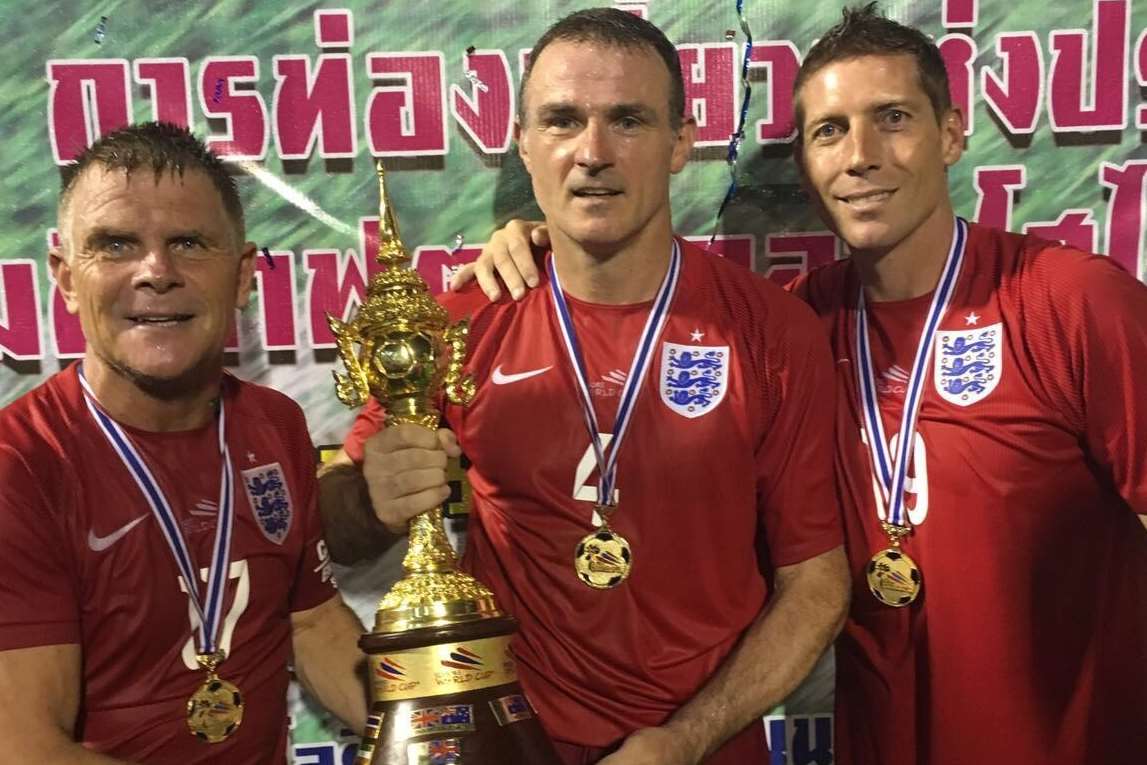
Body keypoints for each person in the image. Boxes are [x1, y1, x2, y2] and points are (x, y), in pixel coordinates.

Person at [458, 4, 1147, 764]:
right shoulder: (803, 319)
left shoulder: (1069, 300)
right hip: (878, 741)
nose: (859, 156)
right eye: (827, 131)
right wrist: (535, 237)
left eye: (891, 118)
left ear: (951, 133)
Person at [319, 8, 850, 765]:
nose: (592, 153)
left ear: (681, 142)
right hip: (507, 744)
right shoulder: (463, 317)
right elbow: (334, 528)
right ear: (523, 143)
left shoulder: (771, 330)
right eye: (562, 120)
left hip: (701, 750)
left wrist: (684, 740)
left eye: (627, 120)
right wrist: (370, 493)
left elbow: (815, 586)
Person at [0, 122, 368, 763]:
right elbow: (26, 747)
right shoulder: (21, 465)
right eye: (115, 245)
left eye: (189, 243)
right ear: (63, 278)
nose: (156, 272)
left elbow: (311, 623)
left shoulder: (274, 424)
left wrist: (433, 730)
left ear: (245, 274)